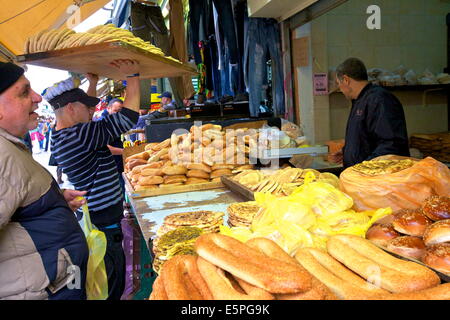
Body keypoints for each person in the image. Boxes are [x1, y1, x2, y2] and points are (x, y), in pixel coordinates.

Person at [47, 59, 141, 300]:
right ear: (70, 108)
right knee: (113, 278)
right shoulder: (80, 134)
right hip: (104, 218)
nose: (91, 110)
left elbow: (86, 113)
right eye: (85, 106)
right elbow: (127, 118)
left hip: (95, 213)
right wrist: (133, 75)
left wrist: (93, 84)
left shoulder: (59, 133)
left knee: (108, 275)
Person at [0, 61, 88, 299]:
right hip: (45, 289)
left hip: (58, 282)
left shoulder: (10, 145)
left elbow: (18, 205)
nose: (38, 98)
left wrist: (54, 203)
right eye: (24, 92)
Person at [331, 58, 410, 168]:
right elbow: (365, 136)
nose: (340, 88)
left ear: (346, 80)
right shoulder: (359, 100)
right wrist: (348, 151)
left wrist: (364, 167)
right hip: (361, 176)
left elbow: (391, 144)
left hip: (377, 178)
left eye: (338, 83)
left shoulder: (380, 100)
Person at [94, 97, 126, 194]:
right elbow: (105, 147)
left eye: (120, 111)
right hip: (110, 162)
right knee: (118, 186)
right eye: (115, 110)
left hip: (118, 160)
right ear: (108, 109)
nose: (117, 113)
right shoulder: (103, 124)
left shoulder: (114, 121)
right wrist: (125, 151)